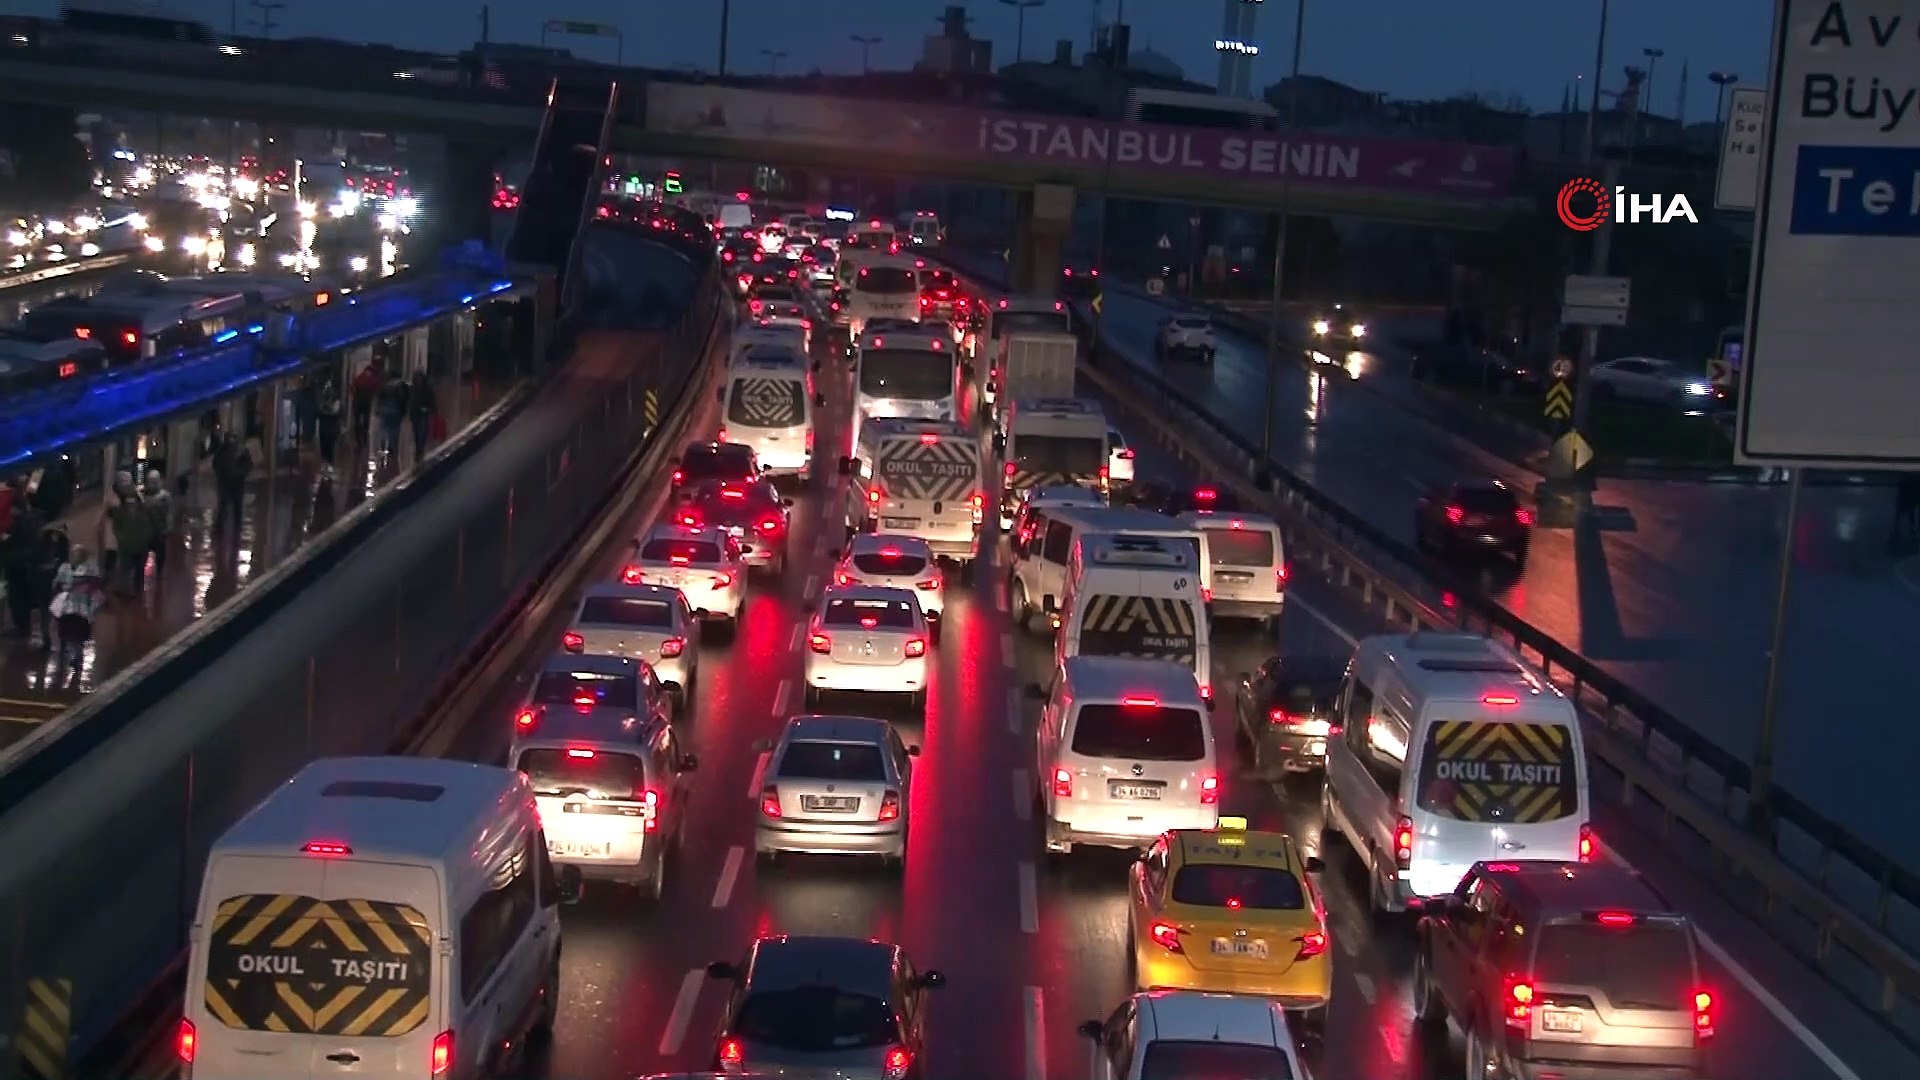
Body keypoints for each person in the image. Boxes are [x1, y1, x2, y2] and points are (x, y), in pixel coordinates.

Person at [49, 545, 104, 667]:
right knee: (63, 629)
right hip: (66, 606)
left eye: (77, 555)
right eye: (73, 555)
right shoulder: (64, 568)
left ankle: (78, 656)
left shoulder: (90, 569)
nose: (74, 557)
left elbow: (96, 586)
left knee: (78, 634)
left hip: (82, 607)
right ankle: (63, 651)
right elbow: (56, 583)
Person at [108, 476, 152, 597]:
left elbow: (149, 525)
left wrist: (146, 539)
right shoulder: (120, 511)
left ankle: (137, 591)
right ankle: (126, 591)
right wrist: (121, 537)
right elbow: (116, 526)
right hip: (127, 546)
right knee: (126, 569)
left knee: (137, 570)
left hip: (139, 545)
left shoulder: (144, 510)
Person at [212, 433, 252, 538]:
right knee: (224, 504)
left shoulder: (241, 451)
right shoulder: (222, 450)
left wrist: (239, 473)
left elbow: (248, 465)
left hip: (237, 482)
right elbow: (216, 464)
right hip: (226, 481)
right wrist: (221, 473)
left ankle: (235, 528)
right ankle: (221, 528)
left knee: (235, 505)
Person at [143, 473, 179, 579]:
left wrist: (168, 527)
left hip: (159, 530)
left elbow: (170, 513)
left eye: (155, 481)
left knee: (160, 554)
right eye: (150, 481)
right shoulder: (142, 495)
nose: (152, 484)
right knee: (143, 554)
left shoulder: (165, 497)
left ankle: (159, 572)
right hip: (145, 530)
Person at [374, 369, 407, 456]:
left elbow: (379, 398)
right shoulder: (400, 385)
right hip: (396, 410)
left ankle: (383, 444)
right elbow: (403, 399)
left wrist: (378, 409)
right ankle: (392, 446)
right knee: (394, 429)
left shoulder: (384, 385)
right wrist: (403, 411)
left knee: (383, 427)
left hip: (384, 410)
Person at [407, 370, 437, 462]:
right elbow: (410, 402)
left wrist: (429, 409)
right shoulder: (412, 389)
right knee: (417, 433)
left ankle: (420, 450)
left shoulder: (427, 390)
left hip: (423, 414)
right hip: (415, 415)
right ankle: (418, 450)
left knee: (423, 433)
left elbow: (432, 402)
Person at [350, 358, 382, 446]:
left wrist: (354, 395)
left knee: (357, 421)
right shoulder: (374, 378)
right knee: (365, 420)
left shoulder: (360, 376)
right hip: (366, 401)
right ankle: (364, 438)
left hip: (357, 400)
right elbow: (377, 388)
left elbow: (352, 387)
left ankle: (358, 439)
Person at [316, 376, 343, 464]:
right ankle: (327, 463)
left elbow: (336, 412)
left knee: (329, 447)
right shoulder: (324, 400)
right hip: (327, 426)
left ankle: (329, 463)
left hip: (330, 426)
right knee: (326, 447)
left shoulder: (335, 401)